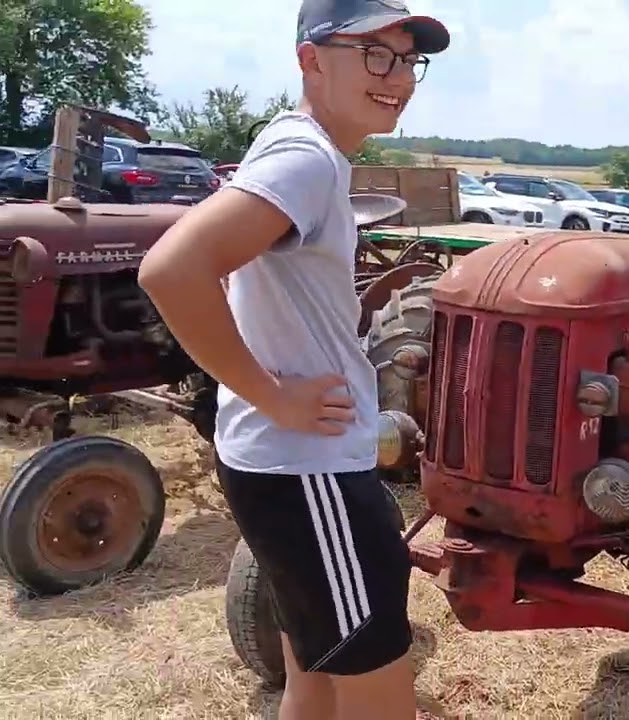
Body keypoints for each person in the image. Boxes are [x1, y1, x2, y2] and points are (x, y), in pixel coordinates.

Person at [138, 2, 450, 719]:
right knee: (379, 696)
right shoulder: (306, 158)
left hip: (284, 466)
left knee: (314, 679)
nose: (397, 77)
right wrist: (268, 391)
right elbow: (172, 269)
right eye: (375, 54)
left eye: (408, 60)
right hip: (308, 472)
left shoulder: (297, 146)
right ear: (311, 58)